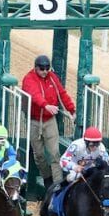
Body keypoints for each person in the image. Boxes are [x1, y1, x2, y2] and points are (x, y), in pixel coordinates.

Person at [21, 55, 75, 190]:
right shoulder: (29, 78)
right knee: (39, 155)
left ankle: (57, 183)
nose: (45, 71)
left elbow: (62, 94)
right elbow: (34, 94)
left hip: (49, 120)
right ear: (35, 68)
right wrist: (46, 105)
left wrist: (71, 110)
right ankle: (47, 178)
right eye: (42, 69)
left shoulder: (52, 77)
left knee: (54, 153)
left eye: (47, 68)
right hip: (34, 121)